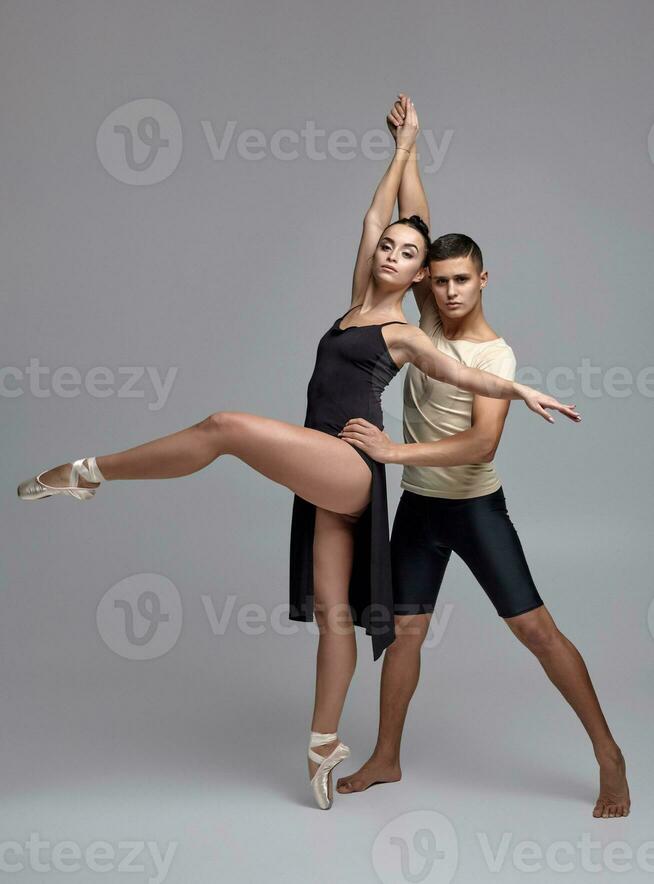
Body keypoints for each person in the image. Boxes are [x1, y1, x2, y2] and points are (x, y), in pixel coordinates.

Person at [16, 99, 580, 812]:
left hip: (347, 464)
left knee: (223, 426)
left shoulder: (406, 331)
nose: (393, 254)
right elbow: (383, 217)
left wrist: (520, 387)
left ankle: (88, 472)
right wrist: (407, 146)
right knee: (332, 616)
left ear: (419, 279)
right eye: (390, 248)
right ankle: (322, 744)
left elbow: (464, 375)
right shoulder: (356, 300)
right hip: (320, 469)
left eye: (411, 256)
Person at [334, 96, 630, 819]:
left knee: (534, 629)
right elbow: (417, 224)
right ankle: (387, 756)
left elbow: (481, 444)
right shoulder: (428, 322)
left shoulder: (494, 354)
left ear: (484, 280)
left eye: (460, 279)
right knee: (404, 633)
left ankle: (608, 753)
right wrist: (410, 144)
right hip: (420, 511)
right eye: (436, 280)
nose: (446, 289)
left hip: (472, 508)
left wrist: (393, 450)